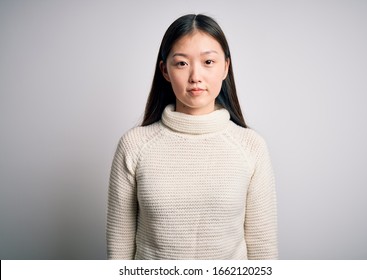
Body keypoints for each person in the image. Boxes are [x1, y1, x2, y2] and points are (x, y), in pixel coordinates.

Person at [106, 14, 277, 260]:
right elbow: (119, 252)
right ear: (165, 70)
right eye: (182, 63)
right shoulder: (134, 146)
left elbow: (264, 251)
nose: (196, 76)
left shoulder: (251, 147)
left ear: (225, 67)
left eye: (208, 61)